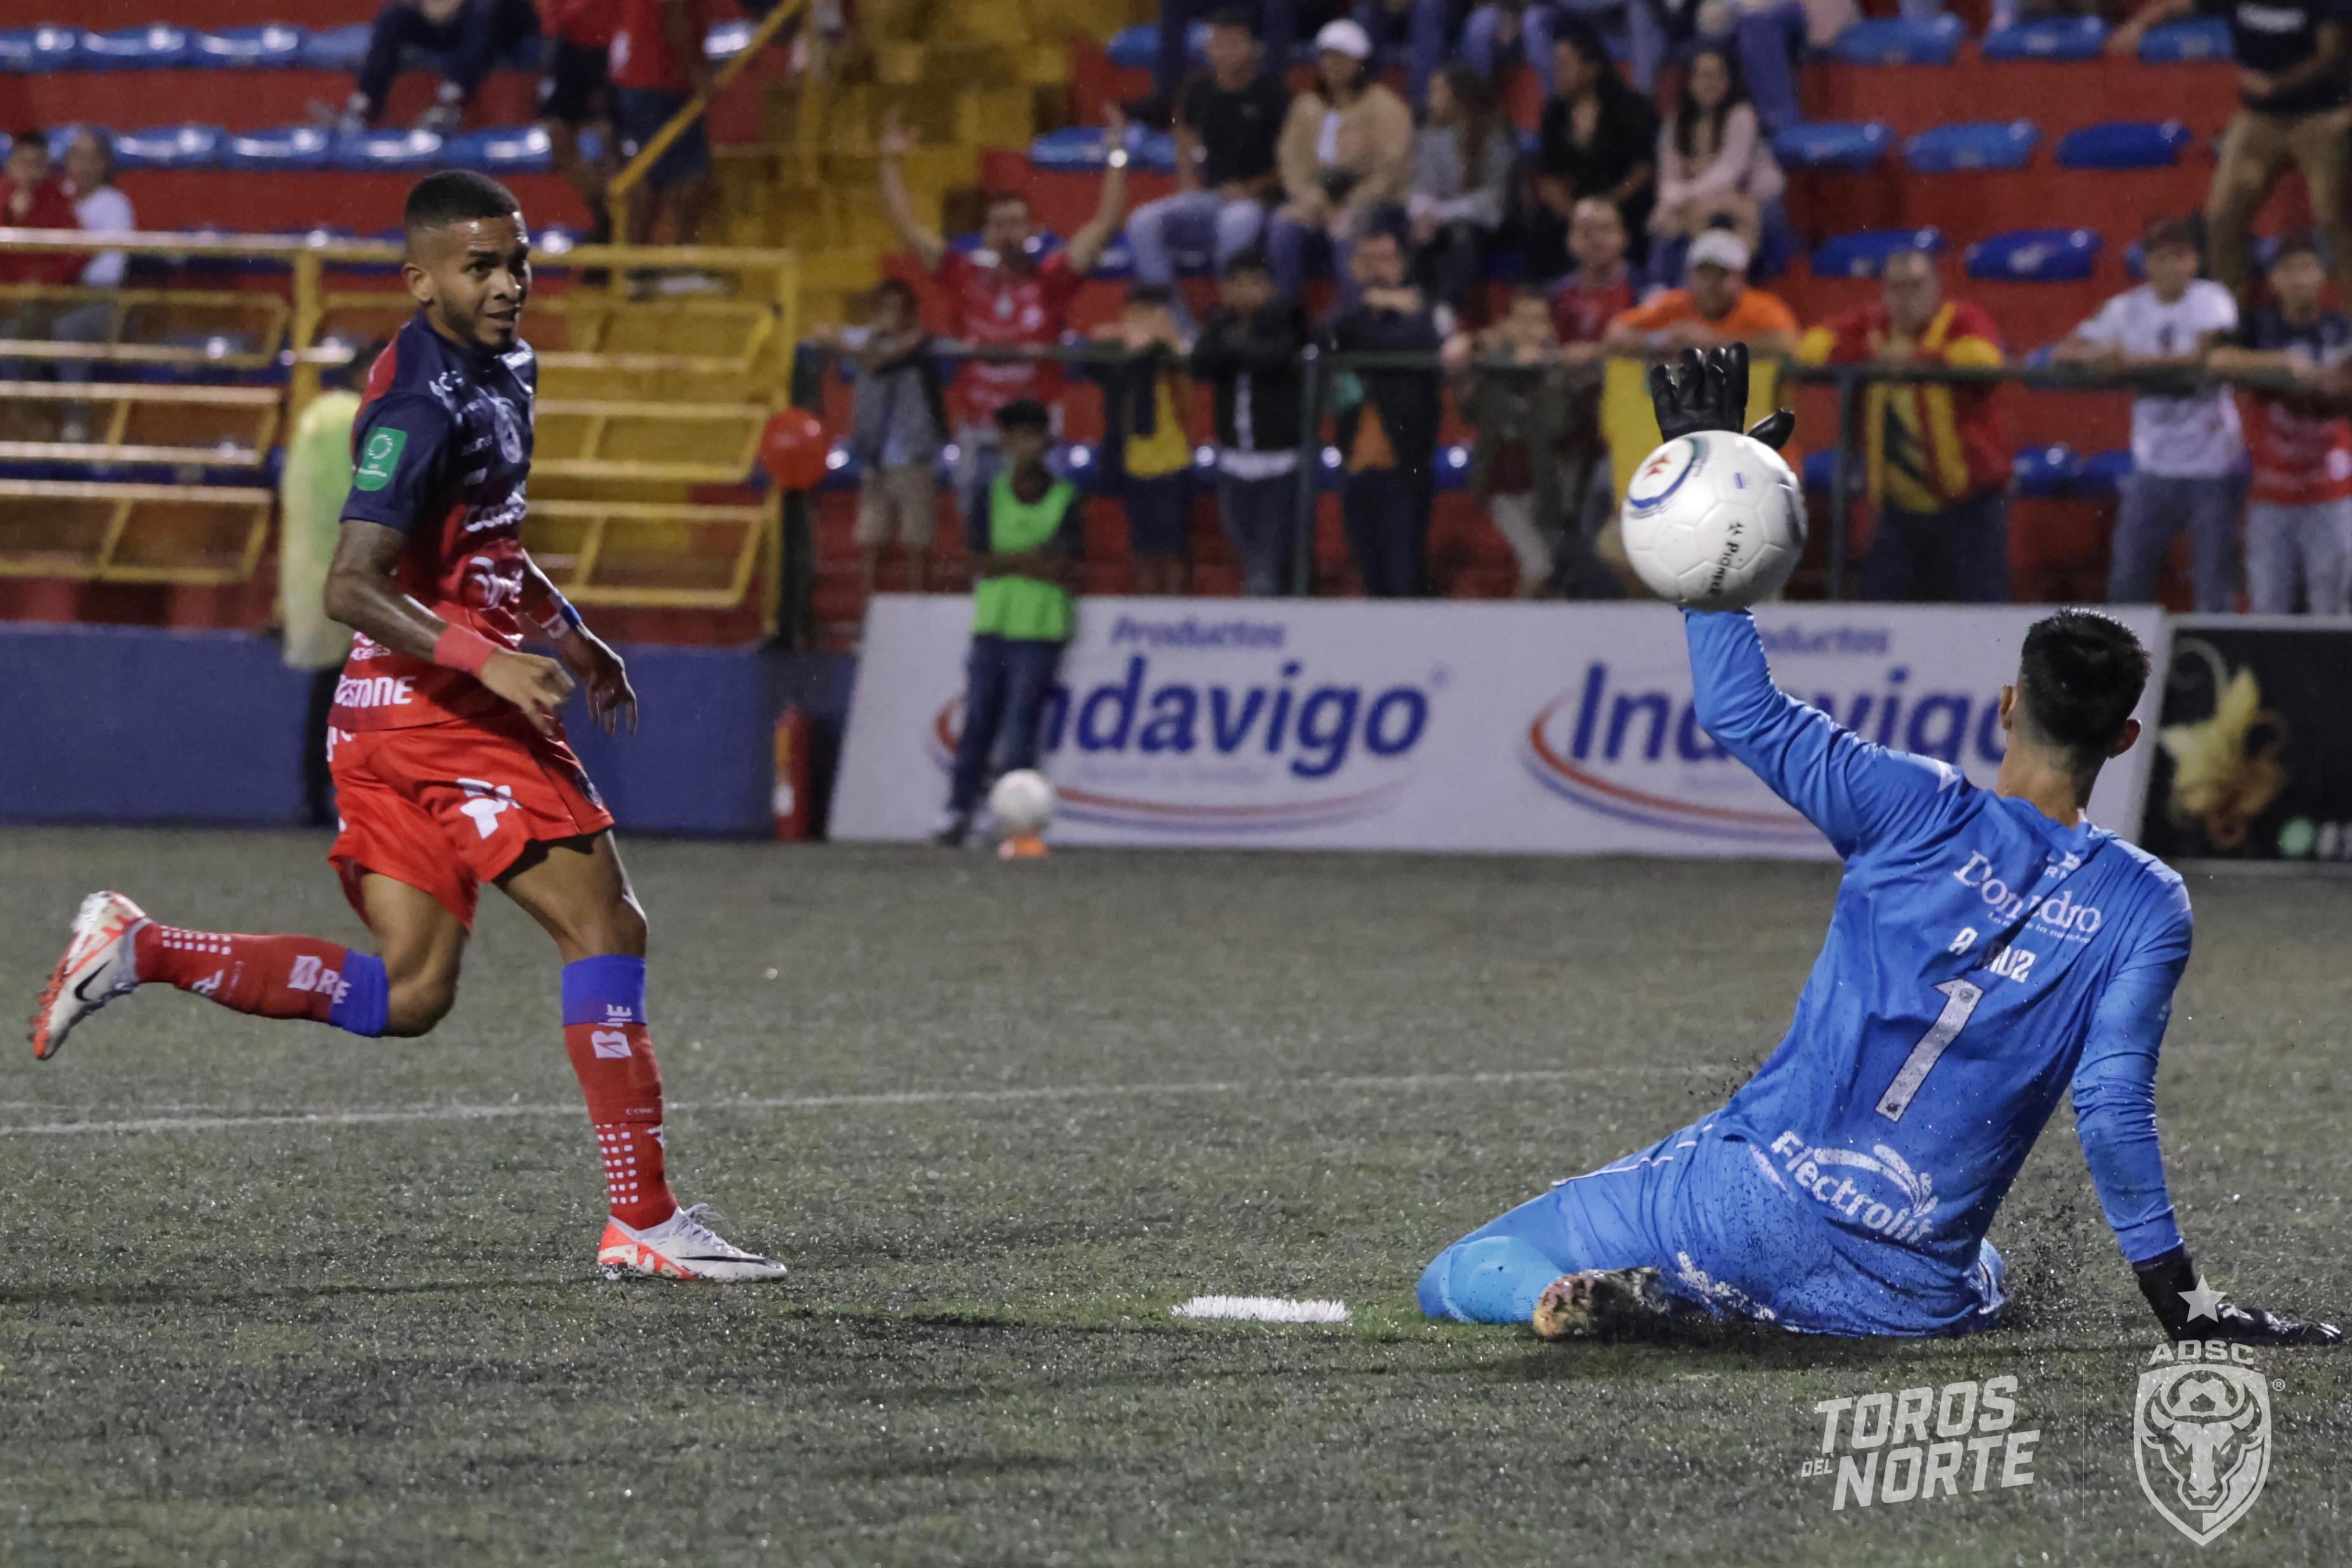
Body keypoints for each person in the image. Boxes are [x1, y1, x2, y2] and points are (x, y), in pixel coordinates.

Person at [1420, 344, 2341, 1350]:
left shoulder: (1912, 808)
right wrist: (2185, 1310)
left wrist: (1710, 517)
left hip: (1738, 1203)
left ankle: (1591, 1301)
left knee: (1461, 1271)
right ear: (2122, 739)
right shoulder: (2144, 902)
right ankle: (1764, 1292)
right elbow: (2112, 1110)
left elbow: (1740, 712)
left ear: (2005, 706)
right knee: (1980, 1266)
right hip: (1900, 1293)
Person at [31, 171, 785, 1283]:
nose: (508, 283)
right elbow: (351, 584)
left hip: (384, 721)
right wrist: (495, 659)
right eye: (480, 266)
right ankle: (645, 1216)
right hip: (446, 710)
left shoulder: (507, 372)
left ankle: (143, 947)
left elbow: (487, 537)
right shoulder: (419, 402)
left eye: (518, 260)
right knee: (607, 929)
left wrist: (569, 630)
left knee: (409, 992)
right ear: (419, 277)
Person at [877, 106, 1128, 530]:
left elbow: (1104, 224)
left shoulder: (1052, 281)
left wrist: (1117, 154)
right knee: (978, 533)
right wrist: (888, 161)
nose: (1007, 231)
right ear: (987, 234)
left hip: (1039, 437)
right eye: (998, 225)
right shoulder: (963, 276)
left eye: (1016, 223)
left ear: (1032, 231)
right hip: (980, 434)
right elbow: (905, 226)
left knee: (1045, 532)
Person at [1798, 246, 2009, 603]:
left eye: (1916, 286)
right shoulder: (1873, 326)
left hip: (1968, 503)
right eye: (1895, 288)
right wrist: (1868, 356)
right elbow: (1811, 348)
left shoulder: (1959, 319)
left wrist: (1918, 360)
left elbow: (1985, 357)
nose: (1905, 298)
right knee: (1884, 607)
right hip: (1899, 509)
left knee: (1979, 612)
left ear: (1937, 286)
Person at [2054, 220, 2244, 612]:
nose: (2172, 265)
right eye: (2162, 256)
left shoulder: (2211, 299)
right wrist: (2099, 356)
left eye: (2180, 255)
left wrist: (2130, 361)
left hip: (2214, 466)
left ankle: (2215, 671)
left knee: (2214, 586)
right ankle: (2127, 668)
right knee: (2127, 580)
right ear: (2147, 262)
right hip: (2152, 465)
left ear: (2194, 261)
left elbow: (2203, 358)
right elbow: (2065, 352)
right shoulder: (2127, 307)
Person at [2109, 0, 2352, 306]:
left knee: (2332, 215)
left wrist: (2277, 84)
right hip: (2260, 118)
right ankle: (2229, 320)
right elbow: (2177, 5)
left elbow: (2331, 52)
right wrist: (2138, 24)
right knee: (2222, 216)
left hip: (2321, 116)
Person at [936, 399, 1084, 848]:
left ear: (1042, 442)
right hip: (995, 625)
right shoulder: (991, 493)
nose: (1018, 446)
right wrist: (1028, 559)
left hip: (1038, 630)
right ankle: (959, 810)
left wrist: (1004, 561)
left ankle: (1010, 821)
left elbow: (1061, 566)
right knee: (978, 723)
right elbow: (975, 560)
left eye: (1027, 436)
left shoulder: (1064, 497)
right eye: (1011, 437)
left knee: (1019, 729)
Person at [2206, 234, 2352, 615]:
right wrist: (2282, 365)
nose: (2299, 278)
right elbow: (2218, 361)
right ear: (2273, 279)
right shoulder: (2258, 327)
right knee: (2269, 601)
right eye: (2289, 269)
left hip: (2332, 493)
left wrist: (2326, 380)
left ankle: (2335, 677)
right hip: (2271, 494)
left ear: (2324, 276)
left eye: (2307, 268)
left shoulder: (2342, 329)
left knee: (2332, 602)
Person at [1125, 9, 1291, 324]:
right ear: (1209, 49)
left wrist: (1249, 189)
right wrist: (1187, 181)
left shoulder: (1274, 93)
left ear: (1252, 46)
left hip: (1258, 200)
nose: (1226, 51)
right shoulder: (1198, 91)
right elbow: (1184, 133)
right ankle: (1179, 329)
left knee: (1236, 222)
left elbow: (1289, 162)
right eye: (1219, 43)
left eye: (1234, 43)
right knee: (1142, 221)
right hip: (1211, 197)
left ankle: (1231, 322)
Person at [1448, 288, 1612, 596]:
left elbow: (1559, 426)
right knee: (1538, 566)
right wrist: (1477, 349)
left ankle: (1545, 634)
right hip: (1502, 485)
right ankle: (1512, 631)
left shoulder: (1562, 369)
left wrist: (1543, 372)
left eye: (1537, 321)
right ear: (1506, 324)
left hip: (1549, 487)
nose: (1528, 330)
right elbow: (1468, 408)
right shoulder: (1492, 367)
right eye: (1521, 320)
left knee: (1561, 571)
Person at [1326, 222, 1443, 596]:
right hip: (1356, 461)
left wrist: (1382, 309)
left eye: (1387, 260)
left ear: (1403, 264)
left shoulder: (1423, 310)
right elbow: (1323, 335)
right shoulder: (1348, 311)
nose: (1377, 269)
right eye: (1368, 260)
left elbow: (1415, 339)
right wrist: (1368, 302)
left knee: (1403, 573)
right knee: (1370, 571)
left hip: (1403, 464)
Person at [1190, 247, 1313, 596]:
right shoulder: (1219, 321)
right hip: (1233, 463)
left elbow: (1272, 358)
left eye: (1254, 283)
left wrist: (1235, 345)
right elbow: (1201, 364)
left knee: (1269, 565)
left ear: (1270, 287)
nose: (1244, 291)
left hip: (1279, 465)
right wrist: (1235, 342)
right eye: (1236, 283)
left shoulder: (1288, 319)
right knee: (1246, 555)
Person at [278, 351, 367, 826]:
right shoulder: (357, 419)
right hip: (360, 578)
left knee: (331, 694)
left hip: (319, 577)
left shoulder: (318, 416)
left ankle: (315, 795)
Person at [1268, 19, 1415, 302]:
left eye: (1341, 57)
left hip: (1368, 203)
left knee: (1349, 227)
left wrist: (1353, 203)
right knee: (1283, 226)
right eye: (1327, 56)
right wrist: (1312, 201)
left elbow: (1390, 169)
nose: (1332, 64)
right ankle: (1286, 313)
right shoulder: (1305, 106)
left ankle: (1354, 313)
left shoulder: (1385, 106)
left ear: (1360, 61)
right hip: (1315, 203)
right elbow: (1291, 161)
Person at [834, 277, 948, 598]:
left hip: (913, 452)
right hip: (875, 454)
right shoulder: (869, 343)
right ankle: (870, 605)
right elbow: (830, 335)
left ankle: (918, 599)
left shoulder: (922, 345)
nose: (891, 318)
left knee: (917, 535)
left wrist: (866, 349)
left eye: (899, 311)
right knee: (871, 534)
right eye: (884, 310)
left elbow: (888, 358)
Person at [1528, 17, 1660, 280]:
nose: (1558, 72)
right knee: (1543, 228)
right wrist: (1575, 212)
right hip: (1575, 207)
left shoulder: (1632, 107)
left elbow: (1644, 170)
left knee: (1631, 225)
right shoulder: (1554, 113)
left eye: (1565, 65)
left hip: (1623, 200)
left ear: (1591, 69)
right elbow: (1548, 175)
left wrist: (1606, 206)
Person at [1646, 45, 1786, 290]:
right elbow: (1669, 176)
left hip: (1749, 201)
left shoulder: (1742, 115)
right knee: (1666, 221)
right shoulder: (1677, 120)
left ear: (1728, 80)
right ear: (1689, 81)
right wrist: (1671, 201)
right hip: (1697, 203)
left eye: (1716, 75)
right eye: (1701, 75)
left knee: (1700, 220)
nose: (1708, 83)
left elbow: (1728, 173)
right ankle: (1657, 291)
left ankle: (1694, 295)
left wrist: (1682, 197)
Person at [1088, 286, 1197, 595]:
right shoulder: (1113, 343)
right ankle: (1148, 603)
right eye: (1141, 312)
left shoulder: (1173, 347)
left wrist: (1164, 341)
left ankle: (1173, 606)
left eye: (1156, 312)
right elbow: (1094, 358)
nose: (1149, 320)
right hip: (1132, 460)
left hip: (1171, 460)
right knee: (1143, 547)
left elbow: (1186, 380)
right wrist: (1135, 342)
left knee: (1173, 548)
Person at [1407, 63, 1519, 328]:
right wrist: (1425, 215)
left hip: (1494, 226)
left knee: (1462, 233)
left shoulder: (1495, 136)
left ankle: (1449, 308)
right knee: (1417, 234)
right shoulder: (1432, 138)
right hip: (1442, 224)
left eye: (1437, 90)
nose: (1430, 99)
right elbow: (1420, 190)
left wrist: (1439, 215)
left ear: (1458, 95)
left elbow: (1492, 200)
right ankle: (1418, 306)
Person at [335, 0, 544, 134]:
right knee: (394, 14)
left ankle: (451, 102)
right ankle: (365, 105)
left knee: (486, 10)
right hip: (456, 17)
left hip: (506, 21)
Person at [608, 0, 718, 248]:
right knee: (684, 175)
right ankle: (673, 261)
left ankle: (636, 267)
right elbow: (675, 14)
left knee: (655, 179)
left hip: (643, 79)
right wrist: (696, 71)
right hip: (660, 82)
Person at [1600, 228, 1797, 358]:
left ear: (1741, 277)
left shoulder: (1762, 307)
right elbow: (1615, 334)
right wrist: (1660, 340)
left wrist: (1713, 342)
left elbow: (1788, 344)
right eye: (1704, 274)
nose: (1711, 284)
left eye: (1722, 274)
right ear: (1689, 274)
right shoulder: (1674, 304)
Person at [53, 130, 134, 439]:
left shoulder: (115, 204)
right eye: (77, 156)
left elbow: (108, 272)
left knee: (67, 330)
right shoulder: (55, 197)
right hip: (52, 296)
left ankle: (76, 421)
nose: (84, 165)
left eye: (92, 157)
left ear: (105, 164)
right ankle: (22, 417)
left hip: (101, 302)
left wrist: (63, 276)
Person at [539, 0, 617, 245]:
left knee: (612, 138)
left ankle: (616, 224)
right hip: (573, 40)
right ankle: (605, 215)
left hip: (618, 41)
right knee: (558, 134)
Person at [1155, 0, 1298, 118]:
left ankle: (1272, 96)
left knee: (1278, 7)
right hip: (1214, 6)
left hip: (1257, 8)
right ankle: (1168, 101)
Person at [1545, 194, 1640, 349]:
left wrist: (1596, 353)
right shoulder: (1556, 294)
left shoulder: (1644, 289)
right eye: (1586, 230)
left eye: (1605, 229)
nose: (1596, 238)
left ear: (1624, 236)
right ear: (1570, 240)